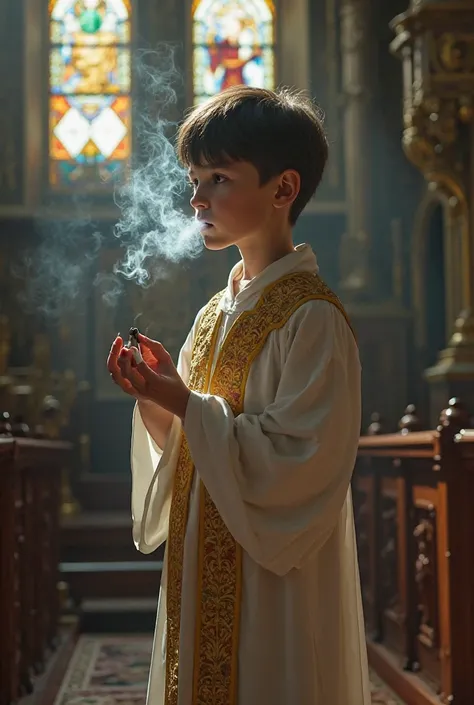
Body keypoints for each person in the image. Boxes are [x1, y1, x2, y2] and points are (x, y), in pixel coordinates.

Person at [107, 85, 370, 705]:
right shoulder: (211, 315)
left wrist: (184, 403)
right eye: (195, 178)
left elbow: (299, 460)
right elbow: (192, 451)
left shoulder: (312, 319)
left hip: (271, 577)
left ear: (283, 189)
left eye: (219, 178)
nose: (197, 198)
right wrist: (154, 398)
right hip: (203, 556)